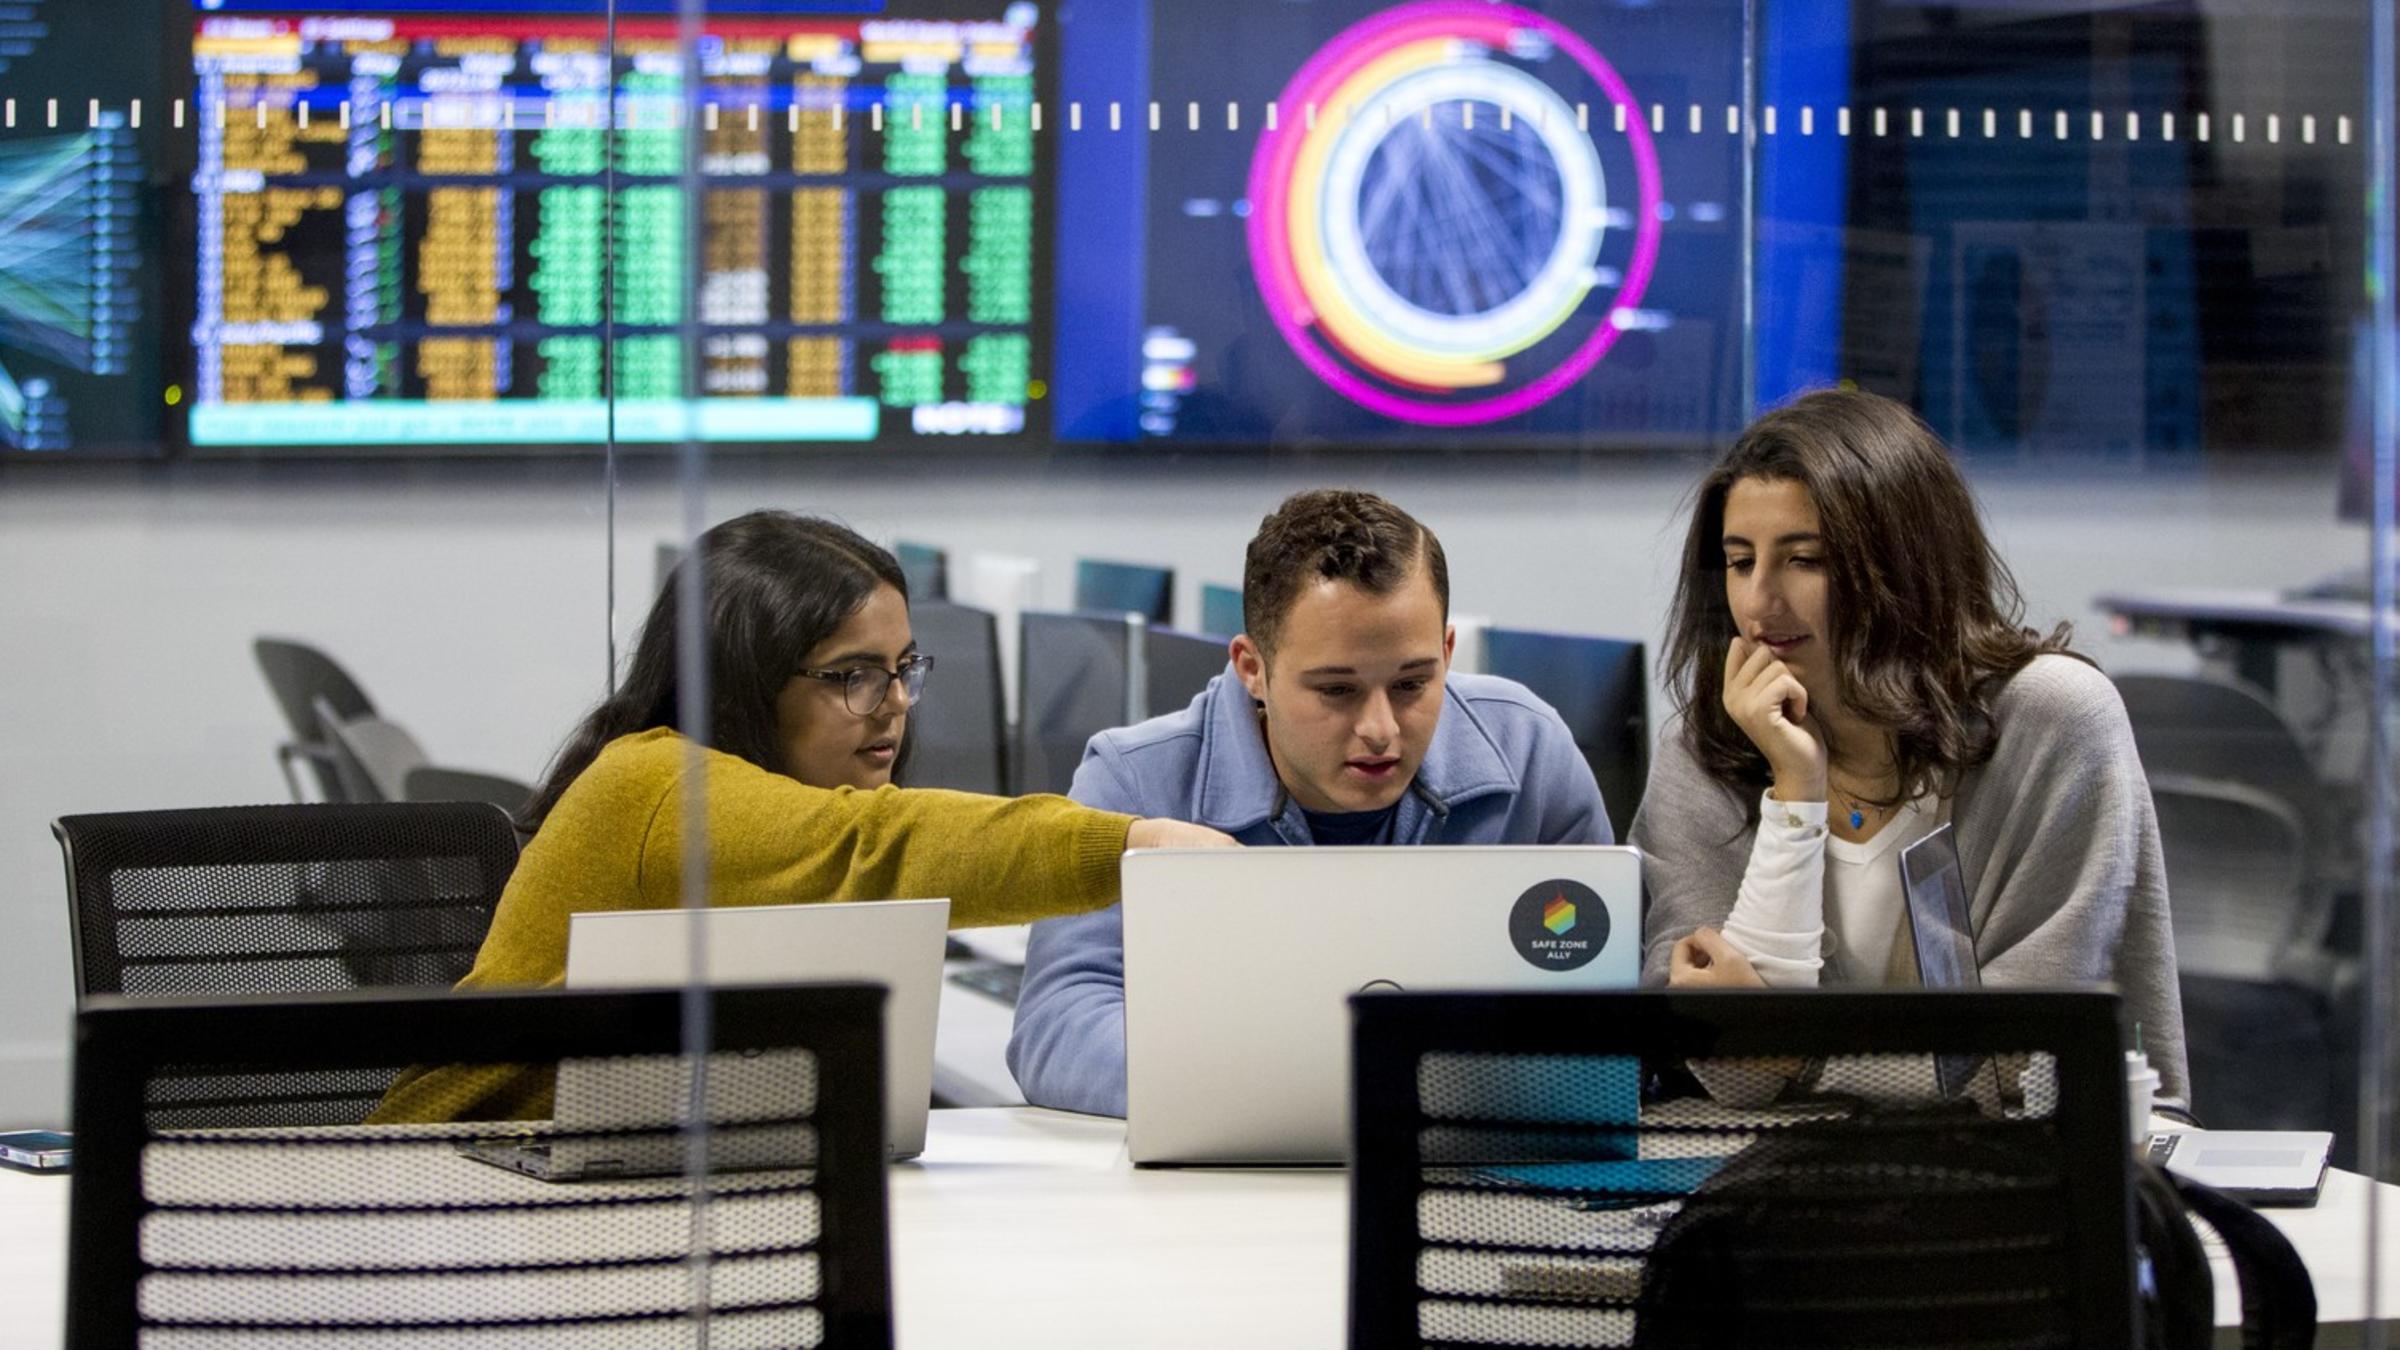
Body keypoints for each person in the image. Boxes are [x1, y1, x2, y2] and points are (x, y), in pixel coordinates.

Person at [373, 511, 1231, 1123]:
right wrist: (1134, 837)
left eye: (903, 667)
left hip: (592, 1183)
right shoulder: (654, 783)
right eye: (853, 675)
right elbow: (874, 849)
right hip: (443, 1187)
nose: (895, 702)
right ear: (741, 685)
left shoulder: (778, 797)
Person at [1632, 388, 2189, 1103]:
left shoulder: (2053, 720)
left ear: (1900, 567)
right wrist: (1796, 793)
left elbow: (2026, 1056)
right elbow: (1728, 1064)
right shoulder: (1705, 752)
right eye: (1740, 562)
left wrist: (1797, 1055)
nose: (1760, 600)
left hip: (2026, 1158)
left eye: (1805, 560)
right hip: (1785, 1161)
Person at [1008, 489, 1613, 1117]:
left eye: (1412, 683)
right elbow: (1057, 1024)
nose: (1380, 729)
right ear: (1252, 668)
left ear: (1448, 652)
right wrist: (1281, 1090)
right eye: (1337, 690)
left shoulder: (1528, 750)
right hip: (1234, 1156)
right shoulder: (1134, 782)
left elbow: (1609, 1008)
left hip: (1473, 1158)